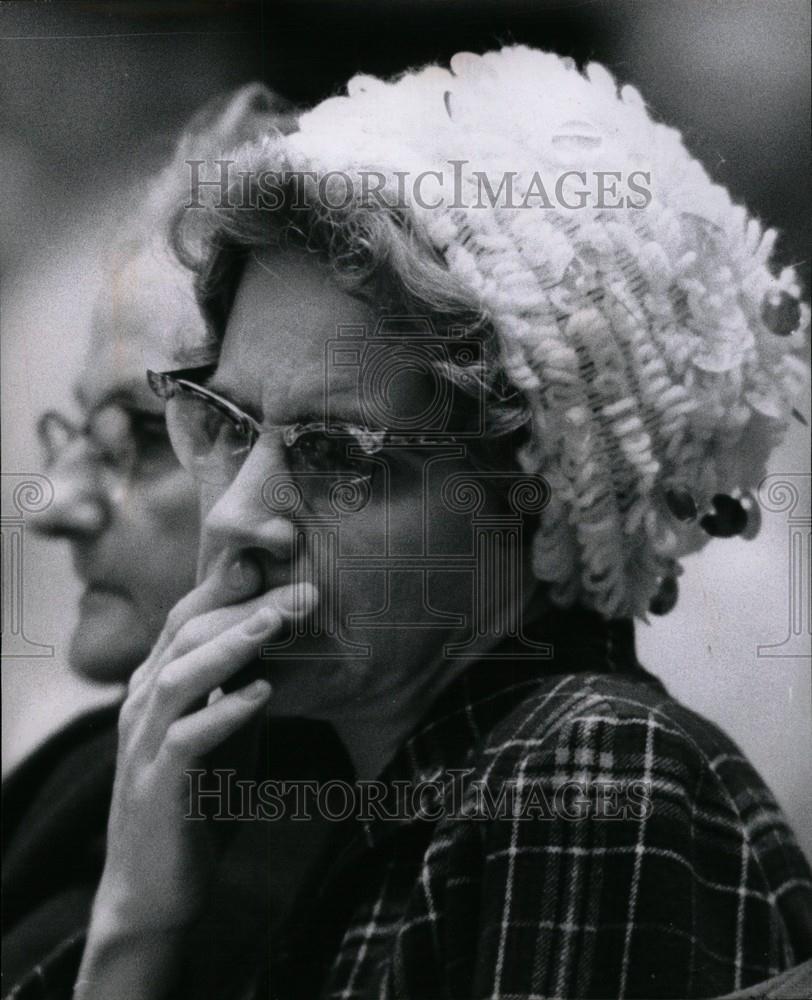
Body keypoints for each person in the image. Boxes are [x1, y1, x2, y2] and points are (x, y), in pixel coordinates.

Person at [42, 46, 812, 999]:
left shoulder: (586, 766)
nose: (240, 514)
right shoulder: (382, 804)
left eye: (341, 456)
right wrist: (135, 926)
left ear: (543, 497)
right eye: (229, 428)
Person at [1, 84, 313, 998]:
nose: (52, 506)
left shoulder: (294, 846)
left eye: (143, 435)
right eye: (77, 432)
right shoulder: (91, 783)